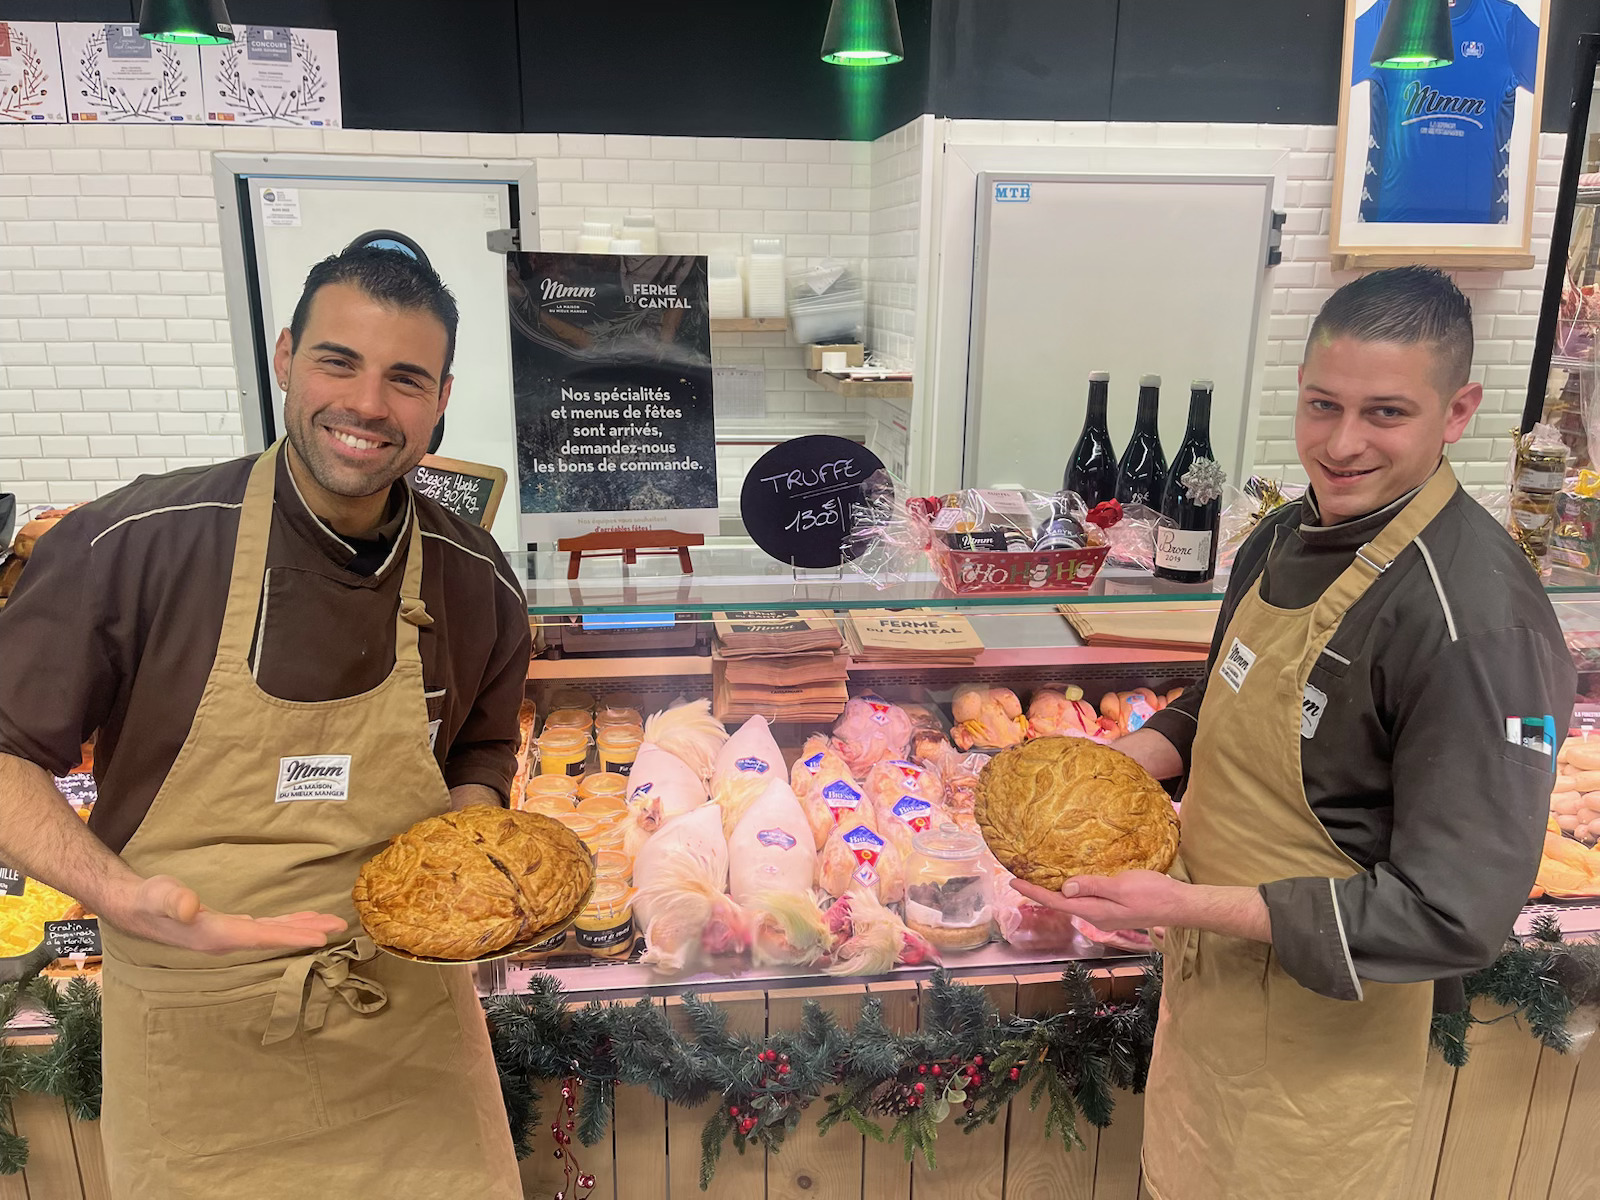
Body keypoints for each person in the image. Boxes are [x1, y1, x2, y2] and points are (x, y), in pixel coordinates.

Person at [1015, 267, 1575, 1199]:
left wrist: (1188, 905)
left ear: (1459, 410)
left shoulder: (1475, 621)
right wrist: (1119, 764)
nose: (1342, 444)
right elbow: (1228, 696)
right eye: (1322, 405)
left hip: (1325, 1061)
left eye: (1386, 414)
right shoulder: (1280, 536)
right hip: (1209, 1010)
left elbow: (1456, 915)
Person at [0, 245, 530, 1197]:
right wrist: (119, 895)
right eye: (339, 361)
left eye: (405, 378)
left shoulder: (473, 573)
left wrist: (467, 851)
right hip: (195, 1030)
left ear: (441, 398)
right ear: (286, 357)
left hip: (406, 1031)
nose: (369, 404)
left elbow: (485, 747)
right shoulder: (136, 544)